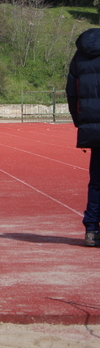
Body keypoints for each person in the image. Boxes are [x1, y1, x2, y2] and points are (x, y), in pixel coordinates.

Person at [66, 28, 100, 246]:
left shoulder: (80, 55)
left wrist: (82, 123)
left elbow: (72, 92)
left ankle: (91, 230)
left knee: (97, 181)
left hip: (93, 128)